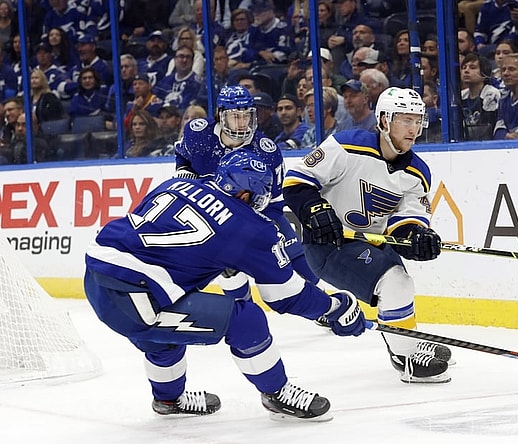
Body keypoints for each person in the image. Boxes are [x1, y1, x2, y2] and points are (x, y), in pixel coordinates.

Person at [84, 149, 365, 421]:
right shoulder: (251, 228)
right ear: (247, 194)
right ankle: (277, 393)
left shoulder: (177, 184)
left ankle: (168, 399)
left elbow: (149, 233)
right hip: (134, 297)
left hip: (97, 271)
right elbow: (285, 296)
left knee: (167, 327)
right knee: (246, 319)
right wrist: (335, 307)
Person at [283, 87, 452, 384]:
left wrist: (417, 239)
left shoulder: (418, 172)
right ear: (384, 121)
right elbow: (297, 183)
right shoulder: (346, 145)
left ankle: (406, 336)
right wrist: (315, 210)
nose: (414, 128)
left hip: (370, 243)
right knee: (395, 281)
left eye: (418, 120)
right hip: (328, 245)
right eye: (405, 120)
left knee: (399, 279)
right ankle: (405, 355)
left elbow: (405, 224)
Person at [174, 85, 319, 285]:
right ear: (220, 115)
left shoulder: (266, 152)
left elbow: (274, 204)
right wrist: (184, 171)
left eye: (247, 116)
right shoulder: (198, 133)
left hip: (255, 212)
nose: (243, 123)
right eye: (236, 116)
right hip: (212, 214)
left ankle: (329, 304)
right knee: (228, 275)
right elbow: (183, 154)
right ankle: (242, 305)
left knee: (298, 258)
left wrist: (260, 231)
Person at [460, 53, 501, 140]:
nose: (466, 71)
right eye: (464, 67)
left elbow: (487, 128)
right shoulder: (461, 95)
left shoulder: (491, 94)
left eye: (472, 67)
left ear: (484, 73)